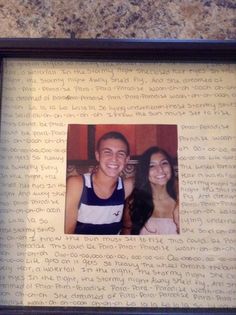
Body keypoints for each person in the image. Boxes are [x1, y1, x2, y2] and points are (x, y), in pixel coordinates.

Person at [65, 131, 133, 234]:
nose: (114, 159)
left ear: (127, 159)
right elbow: (67, 233)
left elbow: (151, 177)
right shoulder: (77, 184)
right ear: (97, 156)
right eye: (107, 152)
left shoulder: (126, 186)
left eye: (120, 154)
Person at [122, 146, 179, 235]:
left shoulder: (181, 201)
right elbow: (127, 236)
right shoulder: (134, 203)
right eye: (151, 166)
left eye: (164, 163)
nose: (160, 170)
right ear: (144, 171)